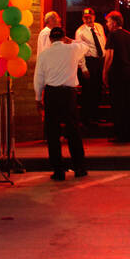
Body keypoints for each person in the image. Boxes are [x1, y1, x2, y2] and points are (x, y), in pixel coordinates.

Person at [34, 27, 88, 180]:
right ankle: (79, 168)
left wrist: (38, 98)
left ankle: (58, 171)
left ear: (50, 39)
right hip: (69, 94)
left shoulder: (44, 55)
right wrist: (70, 41)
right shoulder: (72, 49)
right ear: (64, 37)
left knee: (53, 133)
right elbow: (85, 46)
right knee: (73, 132)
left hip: (52, 94)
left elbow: (39, 78)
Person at [103, 11, 130, 143]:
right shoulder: (129, 35)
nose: (107, 24)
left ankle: (119, 134)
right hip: (127, 72)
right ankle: (129, 134)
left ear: (115, 23)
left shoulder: (112, 36)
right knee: (126, 103)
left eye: (108, 22)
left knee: (116, 104)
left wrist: (104, 72)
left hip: (116, 73)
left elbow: (109, 55)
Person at [75, 8, 107, 130]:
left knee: (98, 90)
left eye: (90, 17)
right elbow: (79, 51)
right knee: (88, 91)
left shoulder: (99, 27)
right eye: (85, 17)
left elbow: (103, 42)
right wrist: (83, 68)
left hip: (100, 61)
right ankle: (86, 118)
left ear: (94, 17)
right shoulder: (80, 32)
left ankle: (95, 115)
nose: (88, 19)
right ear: (83, 18)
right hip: (89, 61)